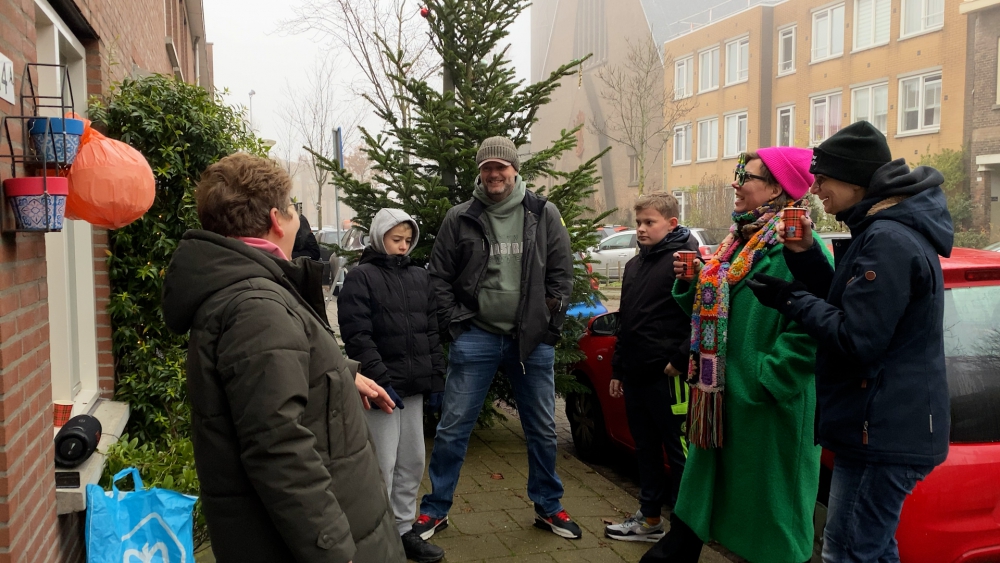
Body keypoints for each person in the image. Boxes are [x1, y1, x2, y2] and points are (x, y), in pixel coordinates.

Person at [161, 153, 405, 563]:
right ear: (277, 219)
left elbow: (270, 371)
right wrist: (335, 551)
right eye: (293, 210)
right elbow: (278, 447)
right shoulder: (257, 305)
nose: (296, 222)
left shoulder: (248, 290)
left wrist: (338, 374)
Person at [746, 121, 953, 563]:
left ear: (855, 179)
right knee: (873, 551)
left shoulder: (889, 239)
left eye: (823, 178)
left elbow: (857, 339)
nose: (814, 186)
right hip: (878, 424)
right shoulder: (878, 229)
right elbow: (851, 307)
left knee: (847, 551)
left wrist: (790, 299)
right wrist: (805, 259)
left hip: (881, 431)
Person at [642, 147, 824, 563]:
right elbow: (718, 311)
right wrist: (692, 283)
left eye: (747, 176)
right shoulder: (735, 244)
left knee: (772, 529)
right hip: (723, 401)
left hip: (765, 411)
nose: (735, 183)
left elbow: (812, 329)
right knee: (697, 517)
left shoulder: (798, 249)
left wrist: (766, 379)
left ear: (777, 188)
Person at [414, 136, 580, 540]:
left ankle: (548, 507)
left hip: (531, 342)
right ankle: (436, 509)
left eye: (500, 167)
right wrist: (458, 323)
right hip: (477, 337)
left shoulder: (543, 212)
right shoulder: (461, 217)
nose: (493, 174)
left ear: (514, 169)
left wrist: (548, 327)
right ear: (480, 171)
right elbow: (439, 277)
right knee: (453, 427)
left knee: (542, 427)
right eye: (486, 167)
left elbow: (562, 275)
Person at [337, 208, 446, 563]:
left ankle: (402, 529)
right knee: (381, 463)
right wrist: (379, 378)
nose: (402, 247)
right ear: (379, 236)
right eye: (395, 240)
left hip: (412, 389)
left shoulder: (420, 277)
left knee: (412, 461)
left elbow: (431, 330)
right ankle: (373, 534)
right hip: (381, 390)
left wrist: (436, 378)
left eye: (407, 240)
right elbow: (358, 334)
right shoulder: (361, 278)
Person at [603, 193, 697, 543]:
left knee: (680, 452)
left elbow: (702, 314)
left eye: (649, 222)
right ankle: (650, 519)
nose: (640, 229)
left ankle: (686, 530)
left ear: (671, 223)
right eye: (638, 222)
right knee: (646, 449)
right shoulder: (634, 265)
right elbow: (627, 320)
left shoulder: (685, 262)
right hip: (637, 376)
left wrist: (681, 358)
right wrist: (618, 368)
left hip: (669, 377)